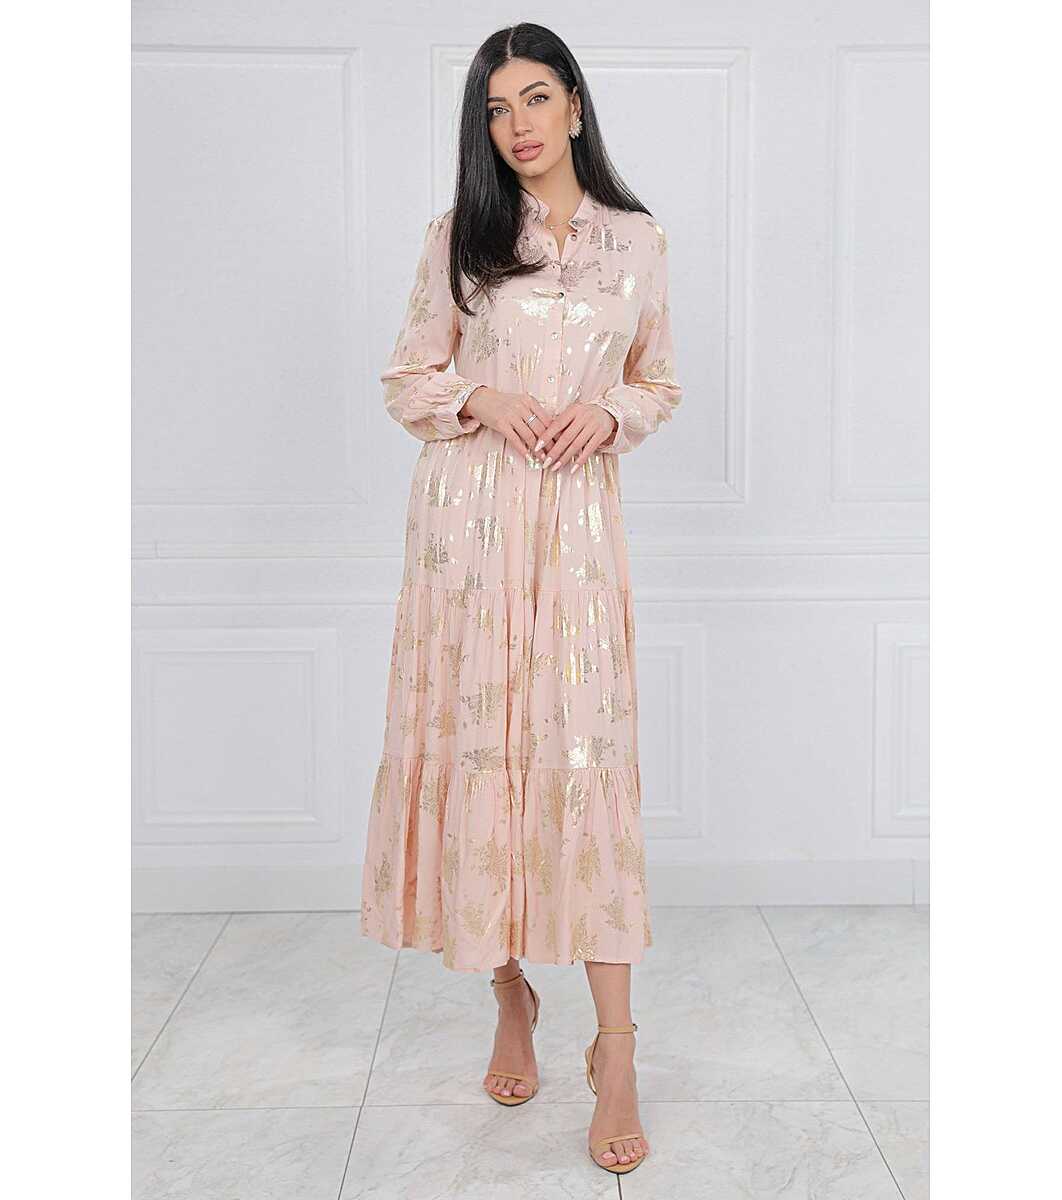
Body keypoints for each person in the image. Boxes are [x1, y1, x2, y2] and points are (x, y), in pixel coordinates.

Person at [359, 21, 682, 1175]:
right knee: (479, 744)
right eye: (497, 109)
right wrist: (482, 400)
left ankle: (617, 1049)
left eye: (537, 98)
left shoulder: (637, 241)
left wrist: (611, 413)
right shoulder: (460, 236)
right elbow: (408, 376)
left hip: (576, 531)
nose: (519, 124)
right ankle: (509, 994)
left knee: (583, 759)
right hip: (468, 527)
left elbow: (658, 380)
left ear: (577, 105)